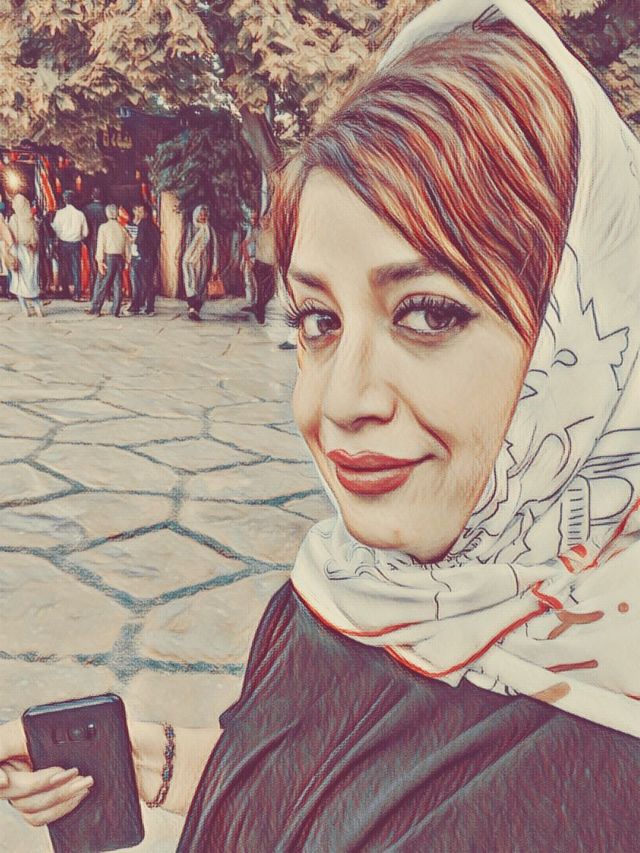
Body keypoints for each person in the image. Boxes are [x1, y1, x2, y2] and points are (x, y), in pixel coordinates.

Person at [2, 1, 640, 850]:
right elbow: (316, 784)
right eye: (318, 321)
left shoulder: (607, 755)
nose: (339, 400)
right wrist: (153, 759)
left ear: (588, 339)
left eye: (427, 312)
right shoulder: (343, 588)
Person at [85, 204, 130, 317]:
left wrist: (99, 261)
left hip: (108, 258)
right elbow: (127, 245)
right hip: (120, 258)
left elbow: (100, 245)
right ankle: (115, 310)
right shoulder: (122, 228)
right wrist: (128, 260)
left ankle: (96, 309)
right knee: (117, 284)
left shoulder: (104, 227)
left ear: (107, 214)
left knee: (102, 283)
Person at [6, 194, 44, 317]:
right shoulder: (31, 219)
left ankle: (25, 309)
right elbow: (36, 238)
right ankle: (37, 307)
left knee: (19, 281)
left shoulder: (14, 219)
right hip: (32, 254)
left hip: (19, 252)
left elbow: (11, 238)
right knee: (31, 280)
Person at [182, 204, 218, 322]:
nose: (202, 217)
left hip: (204, 263)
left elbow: (215, 248)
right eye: (200, 214)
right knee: (190, 285)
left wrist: (215, 264)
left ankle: (195, 310)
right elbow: (186, 244)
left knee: (201, 287)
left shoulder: (209, 230)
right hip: (189, 262)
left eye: (205, 215)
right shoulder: (191, 228)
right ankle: (192, 308)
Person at [124, 202, 161, 316]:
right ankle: (149, 307)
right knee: (147, 283)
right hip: (149, 258)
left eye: (141, 211)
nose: (138, 213)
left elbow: (140, 241)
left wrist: (132, 240)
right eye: (137, 210)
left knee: (139, 284)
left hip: (142, 257)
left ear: (146, 213)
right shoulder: (154, 226)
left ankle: (136, 306)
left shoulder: (144, 224)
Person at [51, 190, 88, 300]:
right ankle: (77, 293)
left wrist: (60, 237)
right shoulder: (80, 214)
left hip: (63, 243)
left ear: (64, 200)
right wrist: (79, 237)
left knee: (64, 268)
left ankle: (65, 292)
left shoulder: (60, 213)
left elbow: (56, 229)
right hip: (76, 244)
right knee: (76, 268)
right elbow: (85, 232)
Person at [83, 188, 107, 298]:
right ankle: (105, 292)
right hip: (104, 240)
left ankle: (94, 291)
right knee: (104, 265)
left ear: (92, 196)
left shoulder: (86, 209)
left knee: (93, 266)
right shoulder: (105, 209)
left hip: (91, 240)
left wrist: (85, 240)